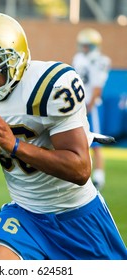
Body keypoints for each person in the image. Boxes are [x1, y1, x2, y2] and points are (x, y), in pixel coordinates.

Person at [0, 12, 126, 260]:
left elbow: (80, 169)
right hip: (25, 215)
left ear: (16, 58)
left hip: (79, 215)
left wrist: (15, 146)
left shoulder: (50, 86)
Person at [72, 28, 111, 190]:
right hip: (78, 104)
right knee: (77, 141)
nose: (84, 48)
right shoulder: (78, 58)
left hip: (90, 106)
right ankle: (83, 175)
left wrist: (90, 106)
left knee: (95, 142)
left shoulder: (100, 61)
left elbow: (97, 87)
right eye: (83, 45)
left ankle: (99, 178)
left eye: (88, 45)